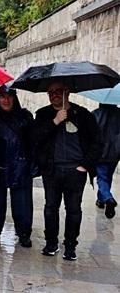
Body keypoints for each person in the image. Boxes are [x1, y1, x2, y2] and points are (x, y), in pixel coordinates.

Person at [34, 81, 102, 261]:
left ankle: (70, 245)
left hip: (75, 170)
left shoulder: (83, 115)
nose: (54, 95)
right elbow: (35, 139)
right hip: (52, 169)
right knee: (50, 208)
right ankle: (51, 243)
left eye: (58, 91)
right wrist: (54, 121)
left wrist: (85, 165)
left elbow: (97, 142)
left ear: (67, 92)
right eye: (50, 92)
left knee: (73, 209)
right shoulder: (43, 114)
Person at [0, 85, 34, 248]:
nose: (6, 100)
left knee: (23, 203)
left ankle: (24, 233)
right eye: (2, 97)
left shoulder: (25, 117)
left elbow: (33, 141)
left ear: (15, 98)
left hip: (20, 164)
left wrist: (31, 164)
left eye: (9, 96)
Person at [92, 103, 120, 219]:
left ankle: (108, 198)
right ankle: (100, 200)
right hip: (116, 152)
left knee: (101, 178)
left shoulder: (96, 114)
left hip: (100, 153)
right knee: (107, 176)